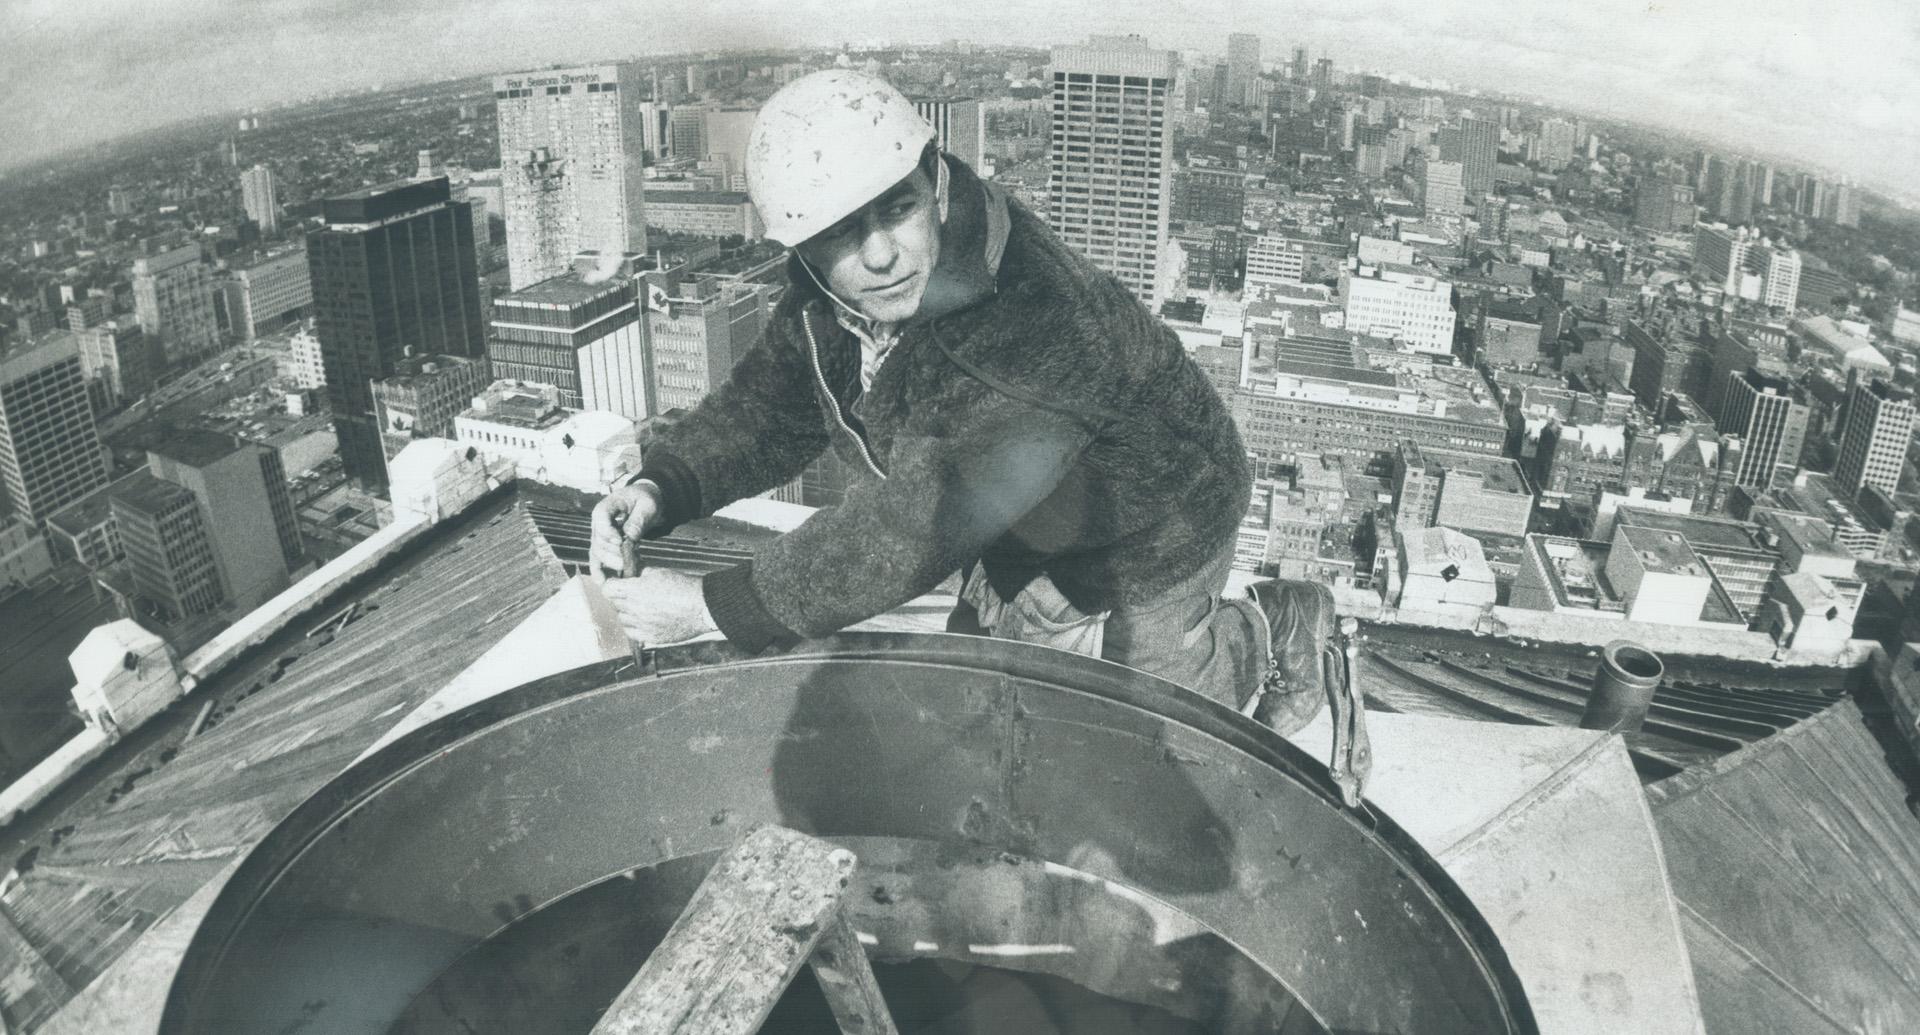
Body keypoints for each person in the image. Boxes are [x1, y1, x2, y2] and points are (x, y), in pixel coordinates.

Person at [593, 70, 1362, 785]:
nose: (881, 255)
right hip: (1024, 513)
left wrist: (709, 608)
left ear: (935, 183)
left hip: (1154, 521)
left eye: (896, 209)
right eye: (841, 233)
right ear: (804, 249)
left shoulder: (1036, 323)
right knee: (1027, 659)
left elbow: (917, 525)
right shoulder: (832, 300)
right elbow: (771, 403)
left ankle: (1280, 629)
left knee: (1144, 743)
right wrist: (666, 483)